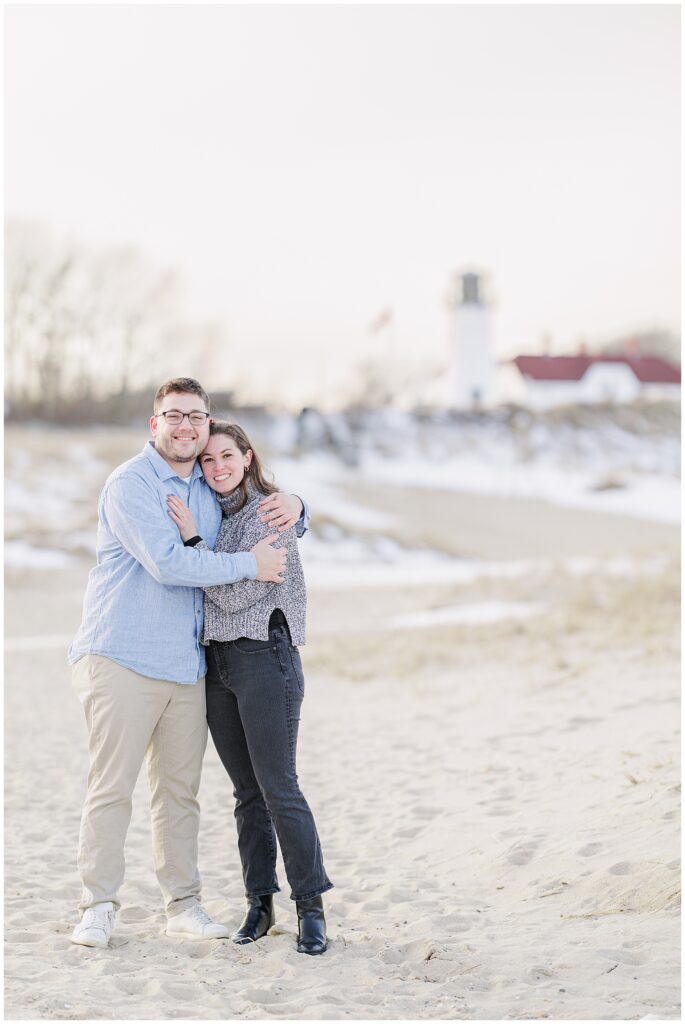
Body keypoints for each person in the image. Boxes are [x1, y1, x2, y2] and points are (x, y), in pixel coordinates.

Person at [68, 378, 308, 949]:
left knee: (179, 793)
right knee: (112, 787)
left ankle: (183, 904)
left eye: (195, 416)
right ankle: (98, 905)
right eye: (173, 415)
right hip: (121, 655)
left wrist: (300, 508)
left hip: (186, 667)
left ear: (207, 423)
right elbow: (170, 563)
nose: (185, 426)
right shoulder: (130, 483)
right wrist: (250, 565)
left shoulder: (204, 481)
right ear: (155, 425)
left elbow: (256, 502)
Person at [166, 420, 333, 955]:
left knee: (279, 787)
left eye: (226, 457)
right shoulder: (216, 513)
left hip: (266, 659)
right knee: (246, 796)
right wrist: (207, 556)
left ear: (247, 456)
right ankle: (259, 906)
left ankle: (311, 909)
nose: (216, 468)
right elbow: (226, 584)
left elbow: (236, 599)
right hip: (218, 666)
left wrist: (193, 548)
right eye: (208, 461)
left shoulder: (272, 510)